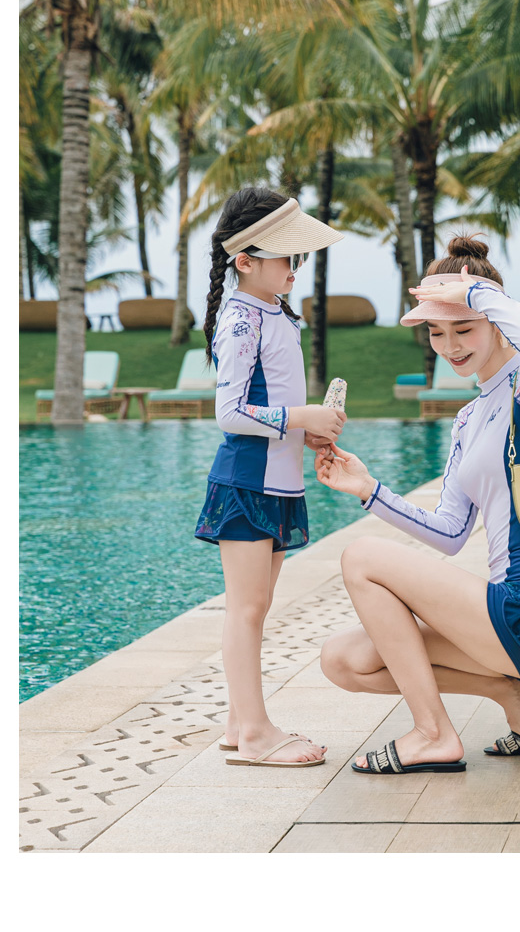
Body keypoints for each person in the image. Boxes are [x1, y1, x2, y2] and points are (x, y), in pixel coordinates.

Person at [315, 236, 520, 775]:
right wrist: (368, 490)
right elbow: (449, 533)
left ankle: (433, 734)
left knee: (361, 557)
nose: (449, 346)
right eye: (436, 332)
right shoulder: (468, 418)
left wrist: (476, 292)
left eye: (464, 328)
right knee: (343, 661)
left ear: (496, 321)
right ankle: (512, 694)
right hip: (507, 619)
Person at [195, 187, 346, 768]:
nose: (295, 267)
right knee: (246, 609)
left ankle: (240, 725)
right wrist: (300, 418)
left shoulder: (276, 312)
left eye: (298, 256)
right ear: (245, 261)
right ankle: (256, 734)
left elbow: (272, 396)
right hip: (246, 483)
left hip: (278, 484)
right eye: (286, 256)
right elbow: (230, 413)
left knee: (254, 607)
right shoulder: (240, 318)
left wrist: (309, 432)